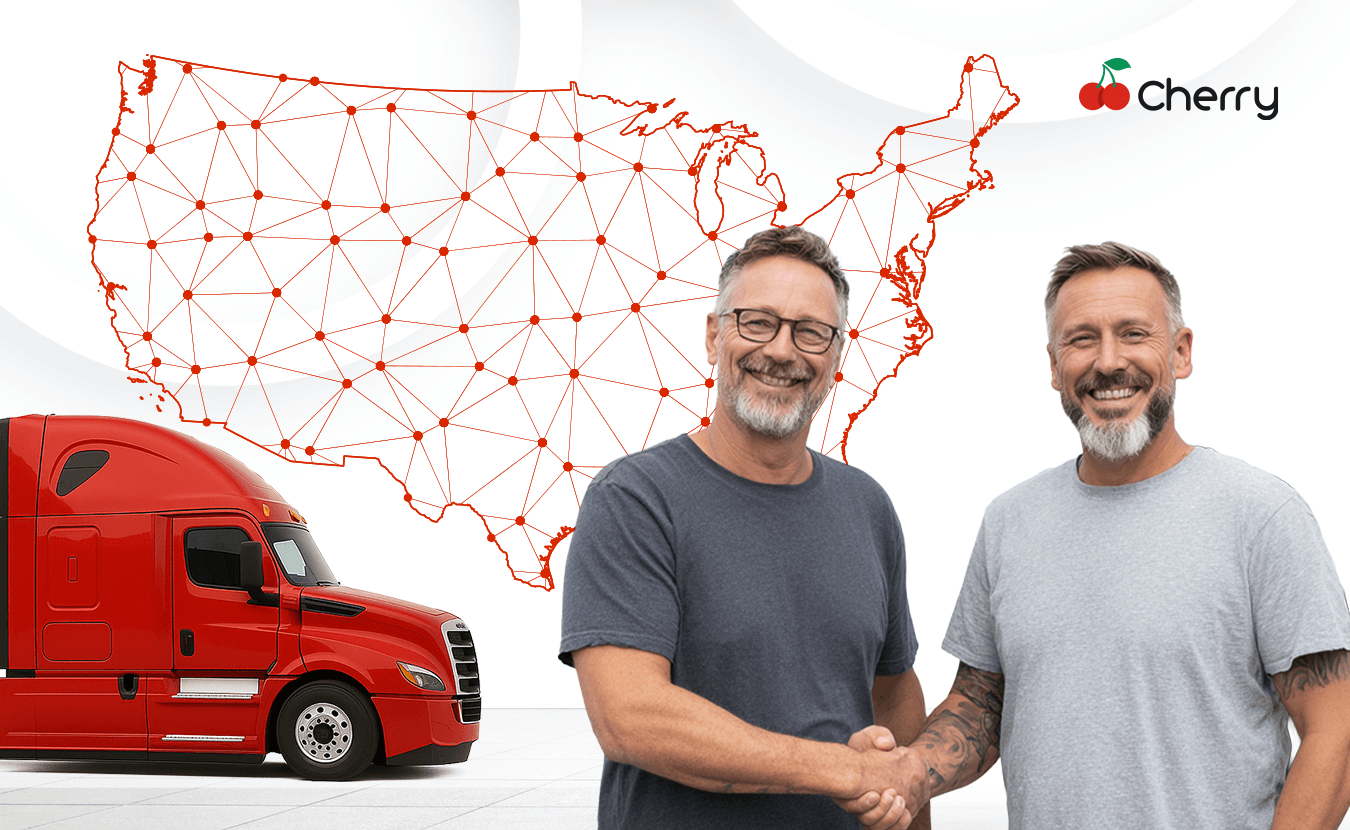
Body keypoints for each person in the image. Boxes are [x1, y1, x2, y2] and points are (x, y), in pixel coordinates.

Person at [845, 241, 1350, 830]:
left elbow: (1335, 729)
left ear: (1182, 353)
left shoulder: (1261, 516)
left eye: (1134, 334)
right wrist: (907, 772)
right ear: (1055, 367)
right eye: (1082, 339)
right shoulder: (1010, 521)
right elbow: (983, 706)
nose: (1108, 362)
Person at [558, 225, 929, 829]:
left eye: (811, 332)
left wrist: (905, 801)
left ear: (836, 357)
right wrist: (844, 769)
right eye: (757, 322)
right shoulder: (634, 500)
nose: (782, 351)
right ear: (713, 335)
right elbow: (631, 715)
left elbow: (893, 697)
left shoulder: (867, 507)